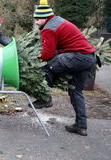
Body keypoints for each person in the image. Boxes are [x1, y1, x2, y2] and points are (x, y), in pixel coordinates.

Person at [32, 0, 96, 136]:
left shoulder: (49, 28)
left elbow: (47, 55)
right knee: (75, 91)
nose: (36, 22)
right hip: (89, 57)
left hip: (77, 56)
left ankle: (45, 98)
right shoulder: (59, 20)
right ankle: (81, 126)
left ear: (45, 18)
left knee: (47, 67)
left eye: (37, 19)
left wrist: (33, 59)